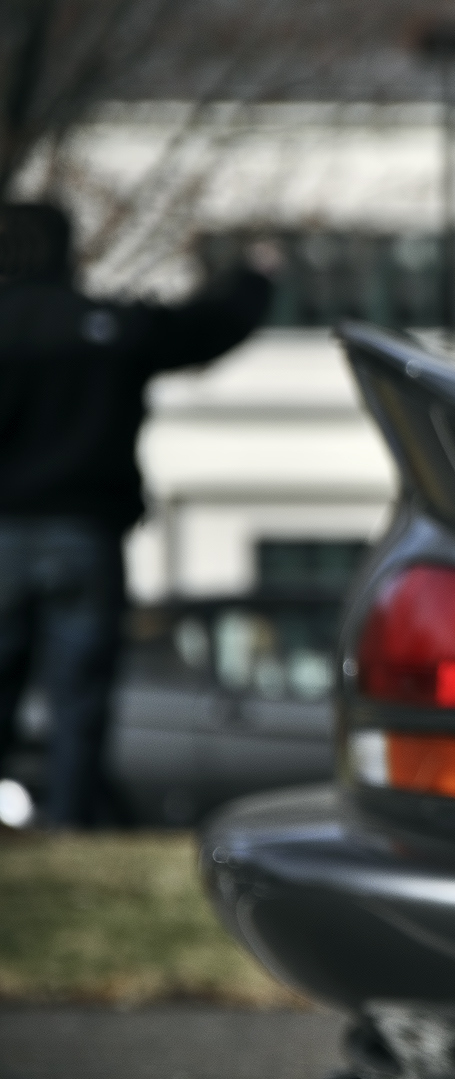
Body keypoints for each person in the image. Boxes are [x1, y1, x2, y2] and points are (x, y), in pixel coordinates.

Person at [0, 203, 275, 827]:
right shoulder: (108, 326)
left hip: (4, 530)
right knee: (81, 693)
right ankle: (69, 822)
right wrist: (254, 277)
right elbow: (209, 328)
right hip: (86, 533)